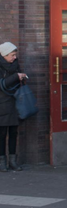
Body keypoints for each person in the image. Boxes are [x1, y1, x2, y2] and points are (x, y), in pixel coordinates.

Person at [0, 42, 26, 173]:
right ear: (4, 55)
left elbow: (19, 80)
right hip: (2, 104)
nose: (14, 58)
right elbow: (2, 84)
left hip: (15, 102)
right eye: (12, 55)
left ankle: (13, 161)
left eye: (15, 55)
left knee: (14, 133)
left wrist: (23, 77)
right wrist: (16, 77)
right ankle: (1, 162)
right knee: (2, 133)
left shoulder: (16, 65)